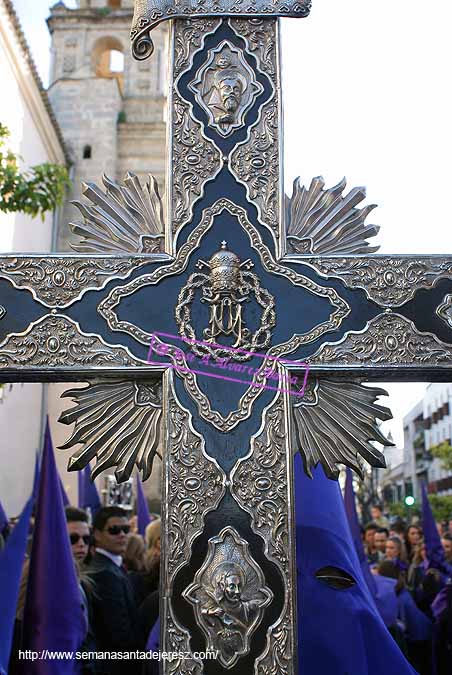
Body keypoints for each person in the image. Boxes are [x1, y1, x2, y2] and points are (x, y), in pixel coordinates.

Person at [89, 506, 143, 674]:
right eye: (114, 530)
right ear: (97, 534)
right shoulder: (105, 573)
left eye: (126, 529)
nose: (122, 535)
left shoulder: (112, 567)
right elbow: (120, 633)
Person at [377, 560, 433, 675]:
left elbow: (403, 624)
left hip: (419, 637)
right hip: (419, 634)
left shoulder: (399, 596)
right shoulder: (399, 590)